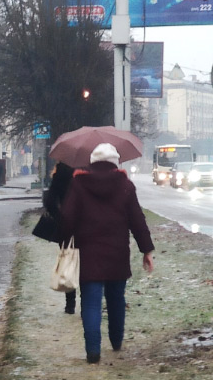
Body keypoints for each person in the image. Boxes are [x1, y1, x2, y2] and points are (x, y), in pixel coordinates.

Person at [60, 143, 154, 364]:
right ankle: (116, 340)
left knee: (91, 303)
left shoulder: (78, 184)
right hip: (117, 253)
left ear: (92, 162)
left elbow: (67, 218)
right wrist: (146, 250)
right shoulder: (126, 186)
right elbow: (137, 221)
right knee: (116, 299)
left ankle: (93, 351)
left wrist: (65, 241)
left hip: (88, 253)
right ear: (115, 162)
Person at [42, 162, 78, 314]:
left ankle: (70, 305)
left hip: (67, 226)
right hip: (89, 225)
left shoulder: (62, 172)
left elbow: (49, 201)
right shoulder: (89, 170)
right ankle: (89, 303)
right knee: (87, 263)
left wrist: (60, 217)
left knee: (69, 260)